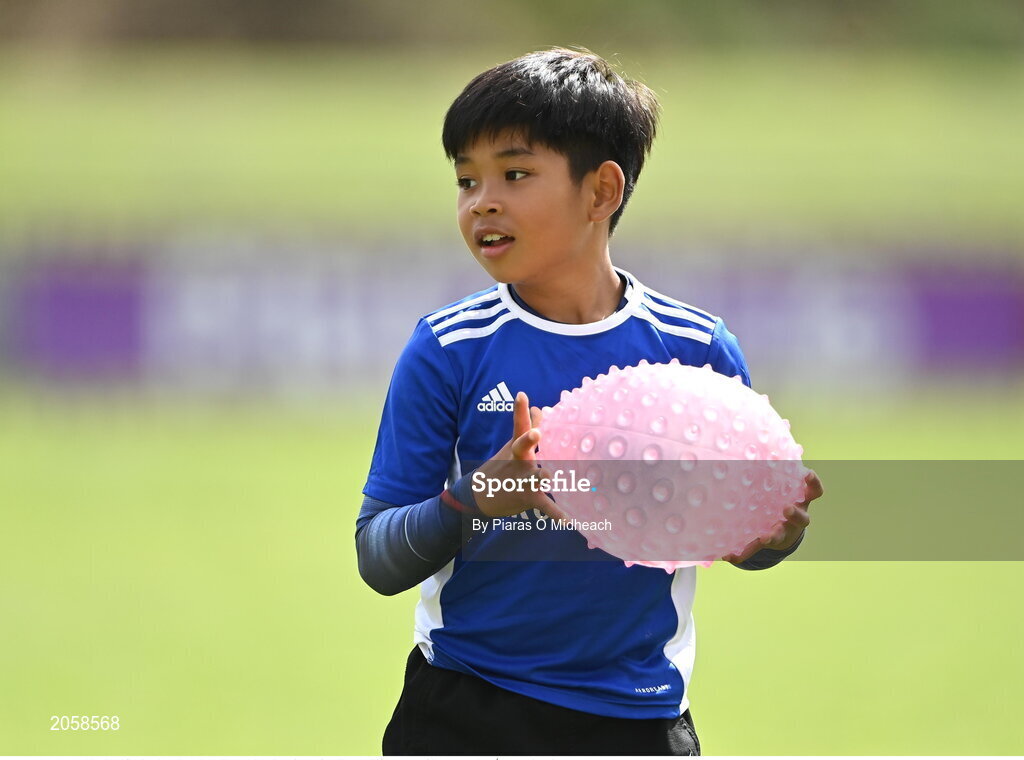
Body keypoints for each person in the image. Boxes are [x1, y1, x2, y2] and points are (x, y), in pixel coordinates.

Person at [356, 47, 823, 756]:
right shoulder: (448, 348)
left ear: (602, 191)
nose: (482, 199)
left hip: (638, 721)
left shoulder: (694, 351)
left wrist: (773, 533)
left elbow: (744, 540)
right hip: (463, 712)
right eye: (465, 179)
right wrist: (477, 499)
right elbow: (377, 557)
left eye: (514, 174)